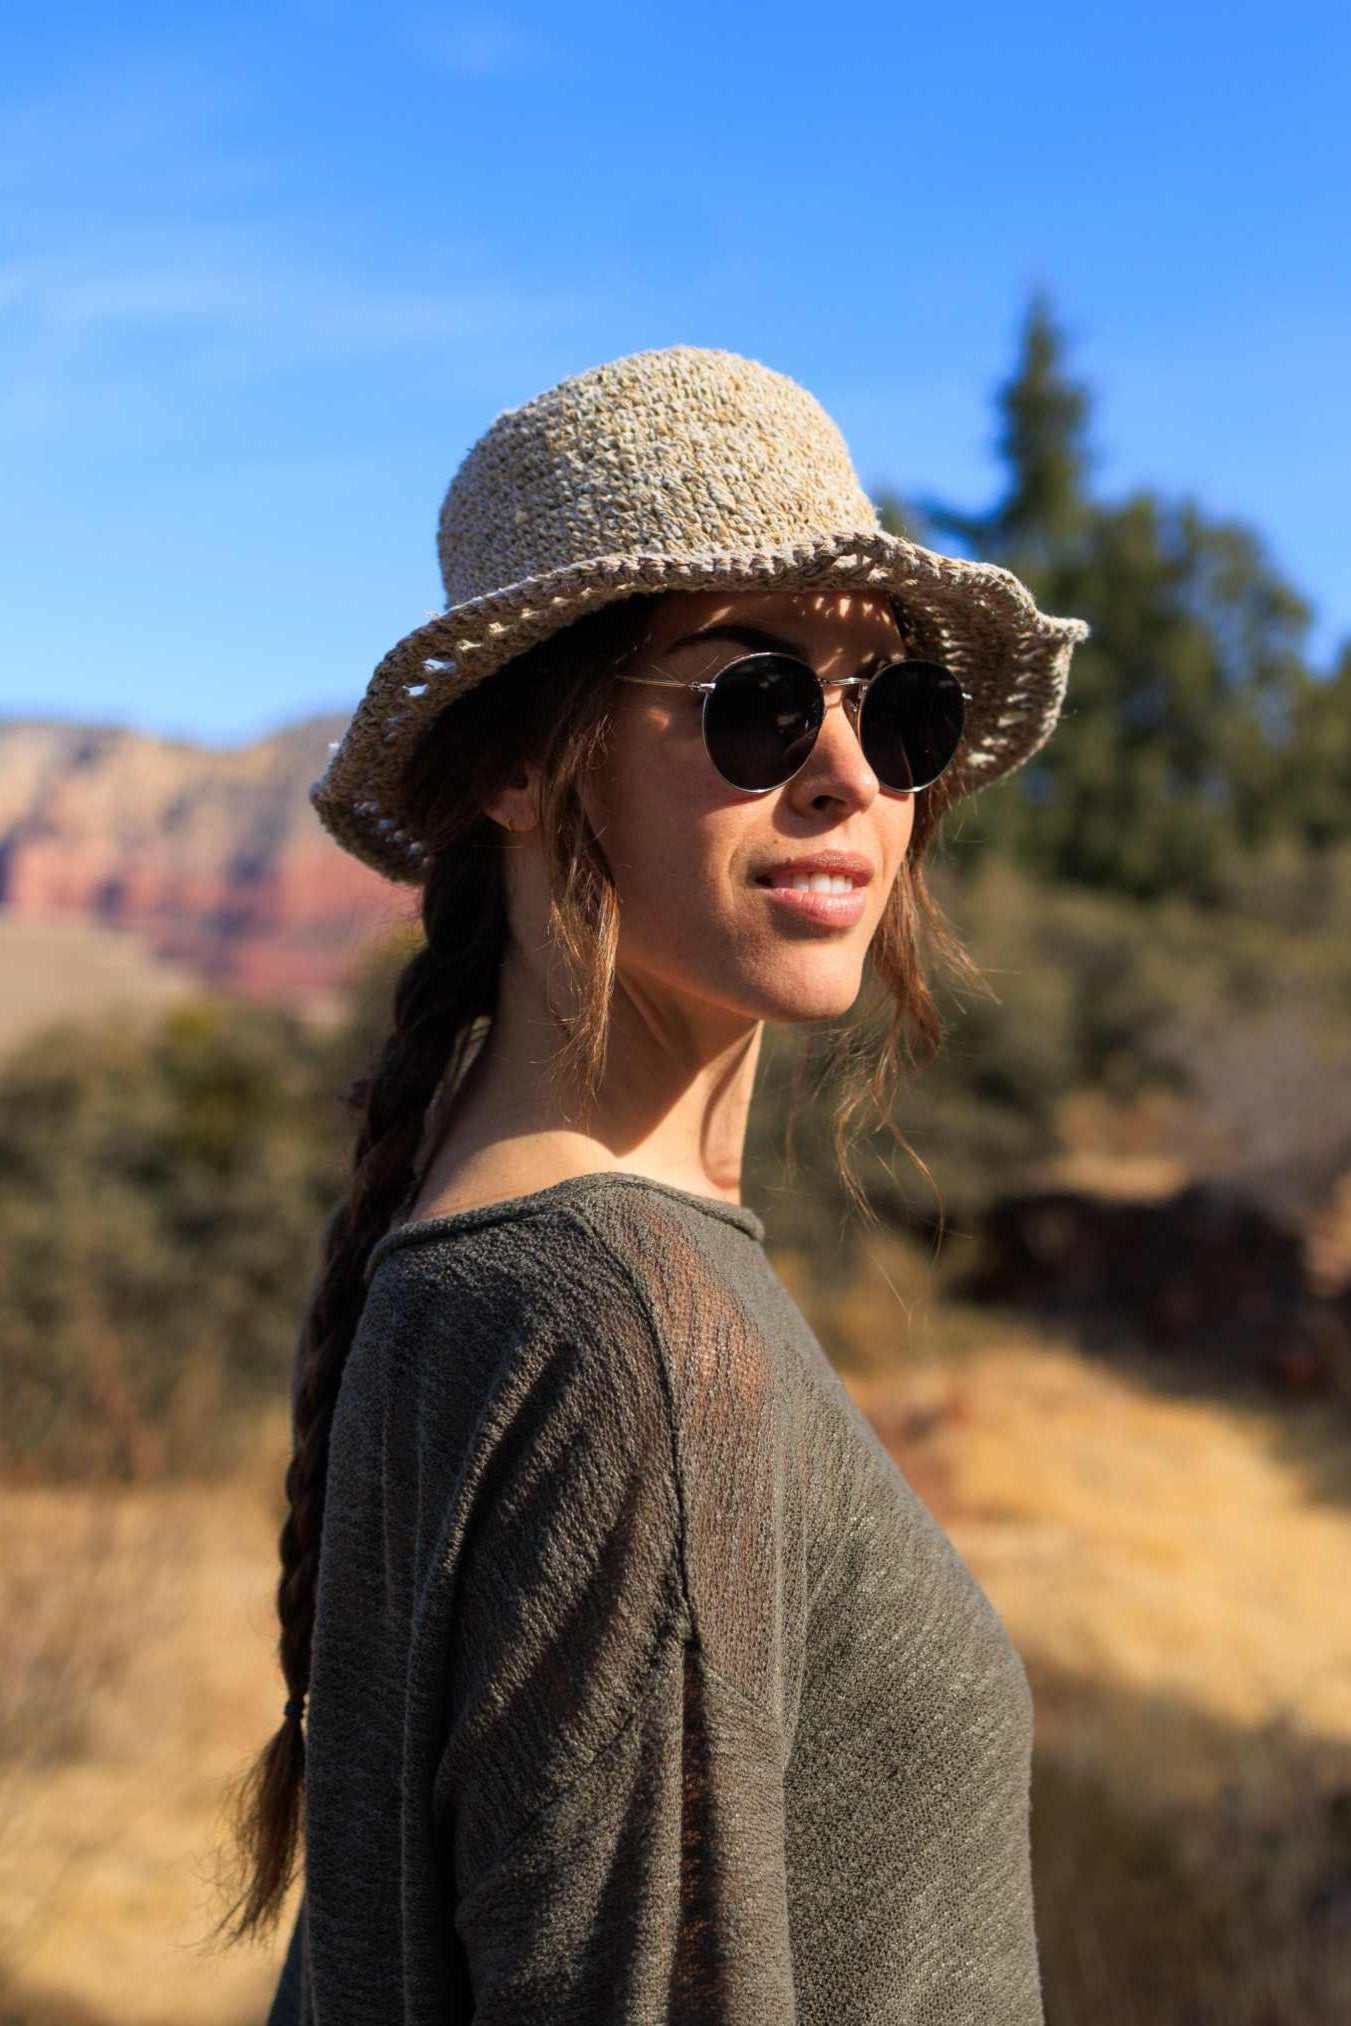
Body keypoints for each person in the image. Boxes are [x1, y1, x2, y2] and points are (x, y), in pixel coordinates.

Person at [213, 344, 1090, 2022]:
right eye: (756, 699)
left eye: (894, 708)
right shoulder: (625, 1330)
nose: (849, 773)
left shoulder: (480, 1257)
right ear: (521, 767)